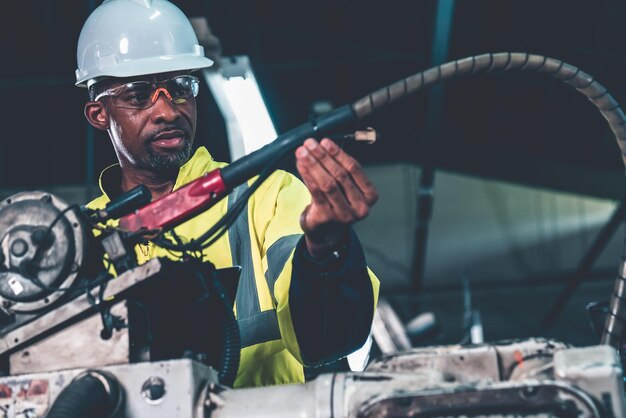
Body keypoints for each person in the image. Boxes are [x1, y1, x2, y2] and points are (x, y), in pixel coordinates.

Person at [78, 0, 379, 388]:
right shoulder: (79, 240)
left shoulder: (264, 195)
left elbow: (328, 341)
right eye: (139, 95)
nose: (168, 111)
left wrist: (325, 250)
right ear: (99, 114)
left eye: (181, 87)